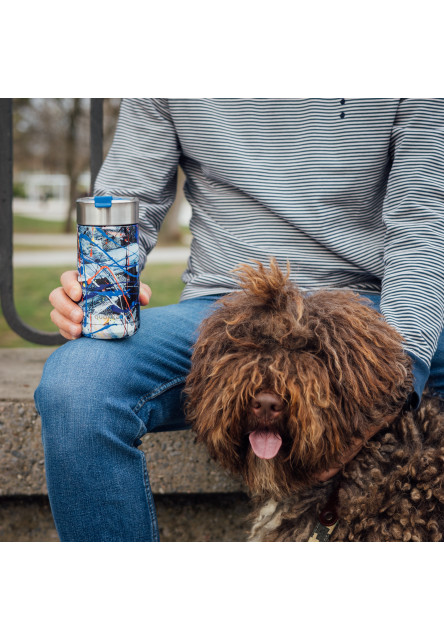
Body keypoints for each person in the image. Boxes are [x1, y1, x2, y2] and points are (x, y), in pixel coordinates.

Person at [34, 99, 444, 542]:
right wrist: (94, 285)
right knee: (77, 383)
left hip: (370, 306)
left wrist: (392, 384)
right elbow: (125, 200)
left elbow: (421, 226)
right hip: (225, 307)